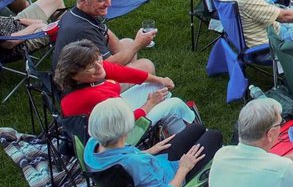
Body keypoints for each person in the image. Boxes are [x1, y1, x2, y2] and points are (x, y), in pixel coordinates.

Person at [81, 98, 222, 187]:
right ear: (125, 131)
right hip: (170, 180)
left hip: (155, 165)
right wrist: (184, 169)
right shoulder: (135, 164)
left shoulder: (92, 143)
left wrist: (147, 152)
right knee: (214, 136)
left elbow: (123, 160)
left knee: (197, 129)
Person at [55, 40, 196, 132]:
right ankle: (189, 136)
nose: (99, 66)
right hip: (118, 135)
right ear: (75, 74)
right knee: (174, 103)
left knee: (158, 87)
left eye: (98, 59)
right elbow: (128, 120)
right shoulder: (96, 96)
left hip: (116, 115)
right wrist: (150, 103)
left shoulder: (83, 77)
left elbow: (122, 72)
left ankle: (174, 130)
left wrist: (159, 79)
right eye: (91, 67)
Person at [52, 0, 154, 73]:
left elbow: (105, 33)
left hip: (87, 69)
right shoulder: (83, 30)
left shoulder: (79, 13)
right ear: (83, 0)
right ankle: (134, 83)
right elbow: (108, 67)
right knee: (146, 65)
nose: (109, 4)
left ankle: (131, 79)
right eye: (102, 0)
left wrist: (130, 49)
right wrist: (138, 44)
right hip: (81, 86)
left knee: (128, 43)